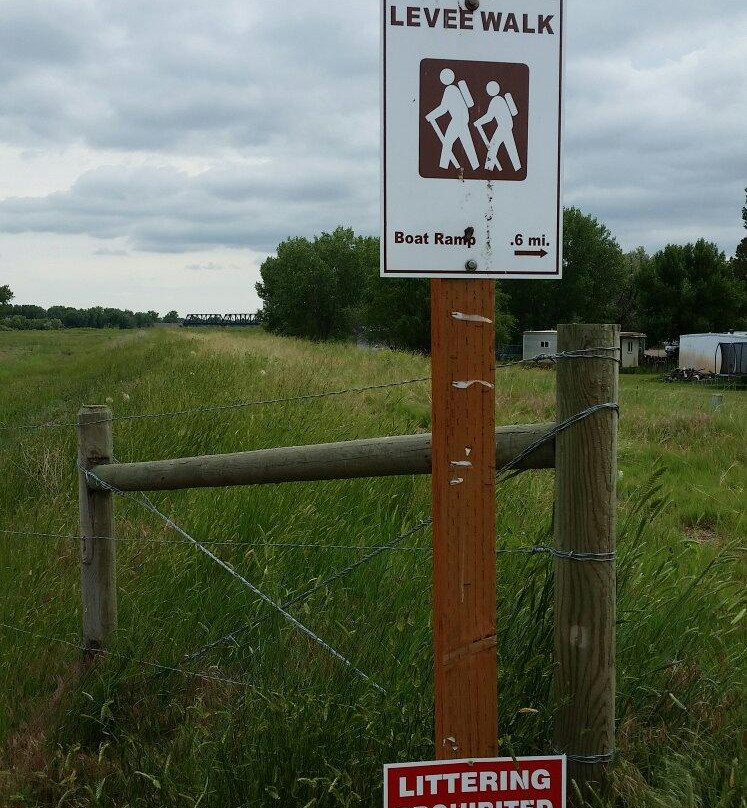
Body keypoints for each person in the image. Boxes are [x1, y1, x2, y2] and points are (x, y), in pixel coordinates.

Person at [425, 68, 479, 171]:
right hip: (463, 119)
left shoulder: (449, 89)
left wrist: (430, 116)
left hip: (458, 120)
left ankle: (443, 167)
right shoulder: (455, 89)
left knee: (447, 142)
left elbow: (444, 108)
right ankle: (475, 166)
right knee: (467, 144)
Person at [473, 80, 521, 172]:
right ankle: (517, 168)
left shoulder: (495, 100)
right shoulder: (501, 99)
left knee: (492, 148)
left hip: (503, 127)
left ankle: (488, 170)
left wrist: (478, 122)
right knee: (511, 148)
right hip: (508, 126)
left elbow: (489, 117)